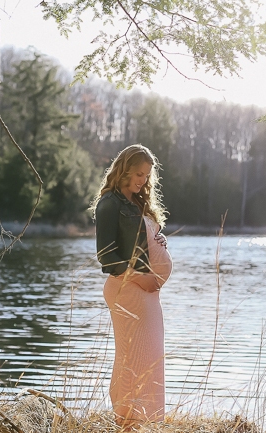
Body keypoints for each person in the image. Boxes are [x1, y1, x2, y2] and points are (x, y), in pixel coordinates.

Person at [91, 144, 172, 430]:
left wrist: (158, 241)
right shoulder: (109, 203)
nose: (142, 180)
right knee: (130, 356)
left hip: (146, 293)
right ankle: (127, 419)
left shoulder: (137, 202)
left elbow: (141, 241)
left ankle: (146, 421)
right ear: (124, 169)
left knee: (150, 355)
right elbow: (106, 256)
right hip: (127, 288)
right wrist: (142, 278)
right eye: (138, 173)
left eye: (146, 176)